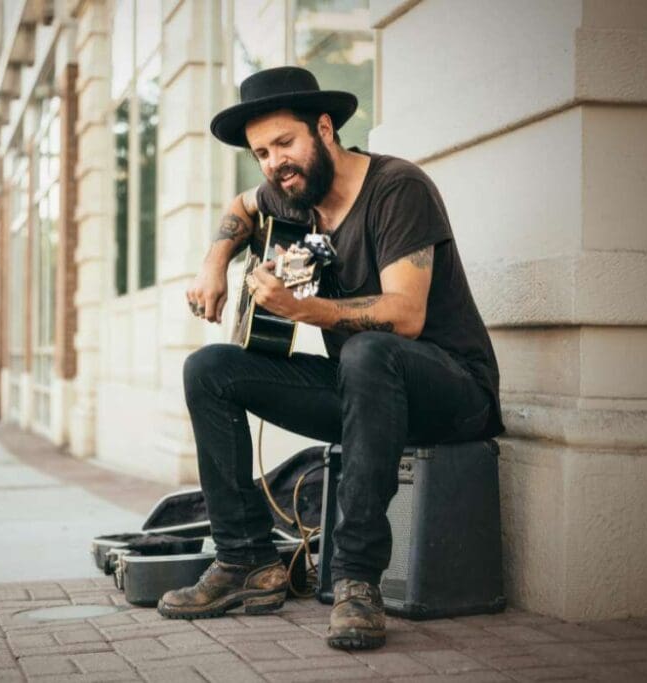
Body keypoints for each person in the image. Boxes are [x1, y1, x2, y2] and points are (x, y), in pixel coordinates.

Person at [161, 67, 504, 651]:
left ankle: (355, 580)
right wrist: (214, 261)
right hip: (362, 394)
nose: (274, 164)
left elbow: (406, 315)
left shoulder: (398, 188)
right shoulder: (295, 194)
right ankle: (247, 561)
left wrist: (305, 309)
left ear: (325, 129)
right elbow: (242, 207)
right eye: (262, 153)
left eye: (285, 144)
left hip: (451, 392)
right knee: (209, 370)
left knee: (371, 350)